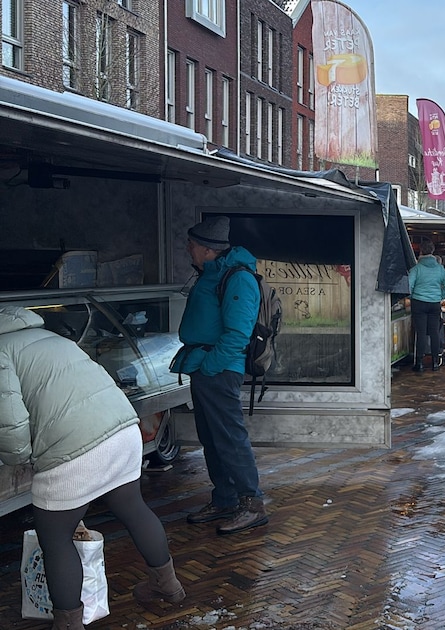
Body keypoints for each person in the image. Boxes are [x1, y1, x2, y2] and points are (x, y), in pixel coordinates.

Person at [0, 306, 185, 628]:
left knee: (55, 538)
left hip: (74, 447)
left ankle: (68, 623)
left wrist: (19, 461)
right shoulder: (50, 338)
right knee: (133, 507)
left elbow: (11, 423)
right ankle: (167, 585)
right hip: (122, 430)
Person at [170, 216, 268, 535]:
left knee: (229, 438)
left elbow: (238, 333)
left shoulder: (237, 278)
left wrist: (210, 366)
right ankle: (225, 498)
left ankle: (251, 504)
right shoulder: (213, 273)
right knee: (212, 438)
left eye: (193, 244)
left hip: (218, 369)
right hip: (205, 365)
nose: (189, 248)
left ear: (209, 250)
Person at [407, 240, 445, 372]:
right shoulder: (440, 269)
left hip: (419, 303)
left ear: (421, 251)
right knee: (434, 332)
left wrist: (412, 297)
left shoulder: (416, 269)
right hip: (434, 304)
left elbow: (409, 286)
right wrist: (440, 296)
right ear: (433, 252)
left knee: (421, 333)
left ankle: (420, 363)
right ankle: (435, 362)